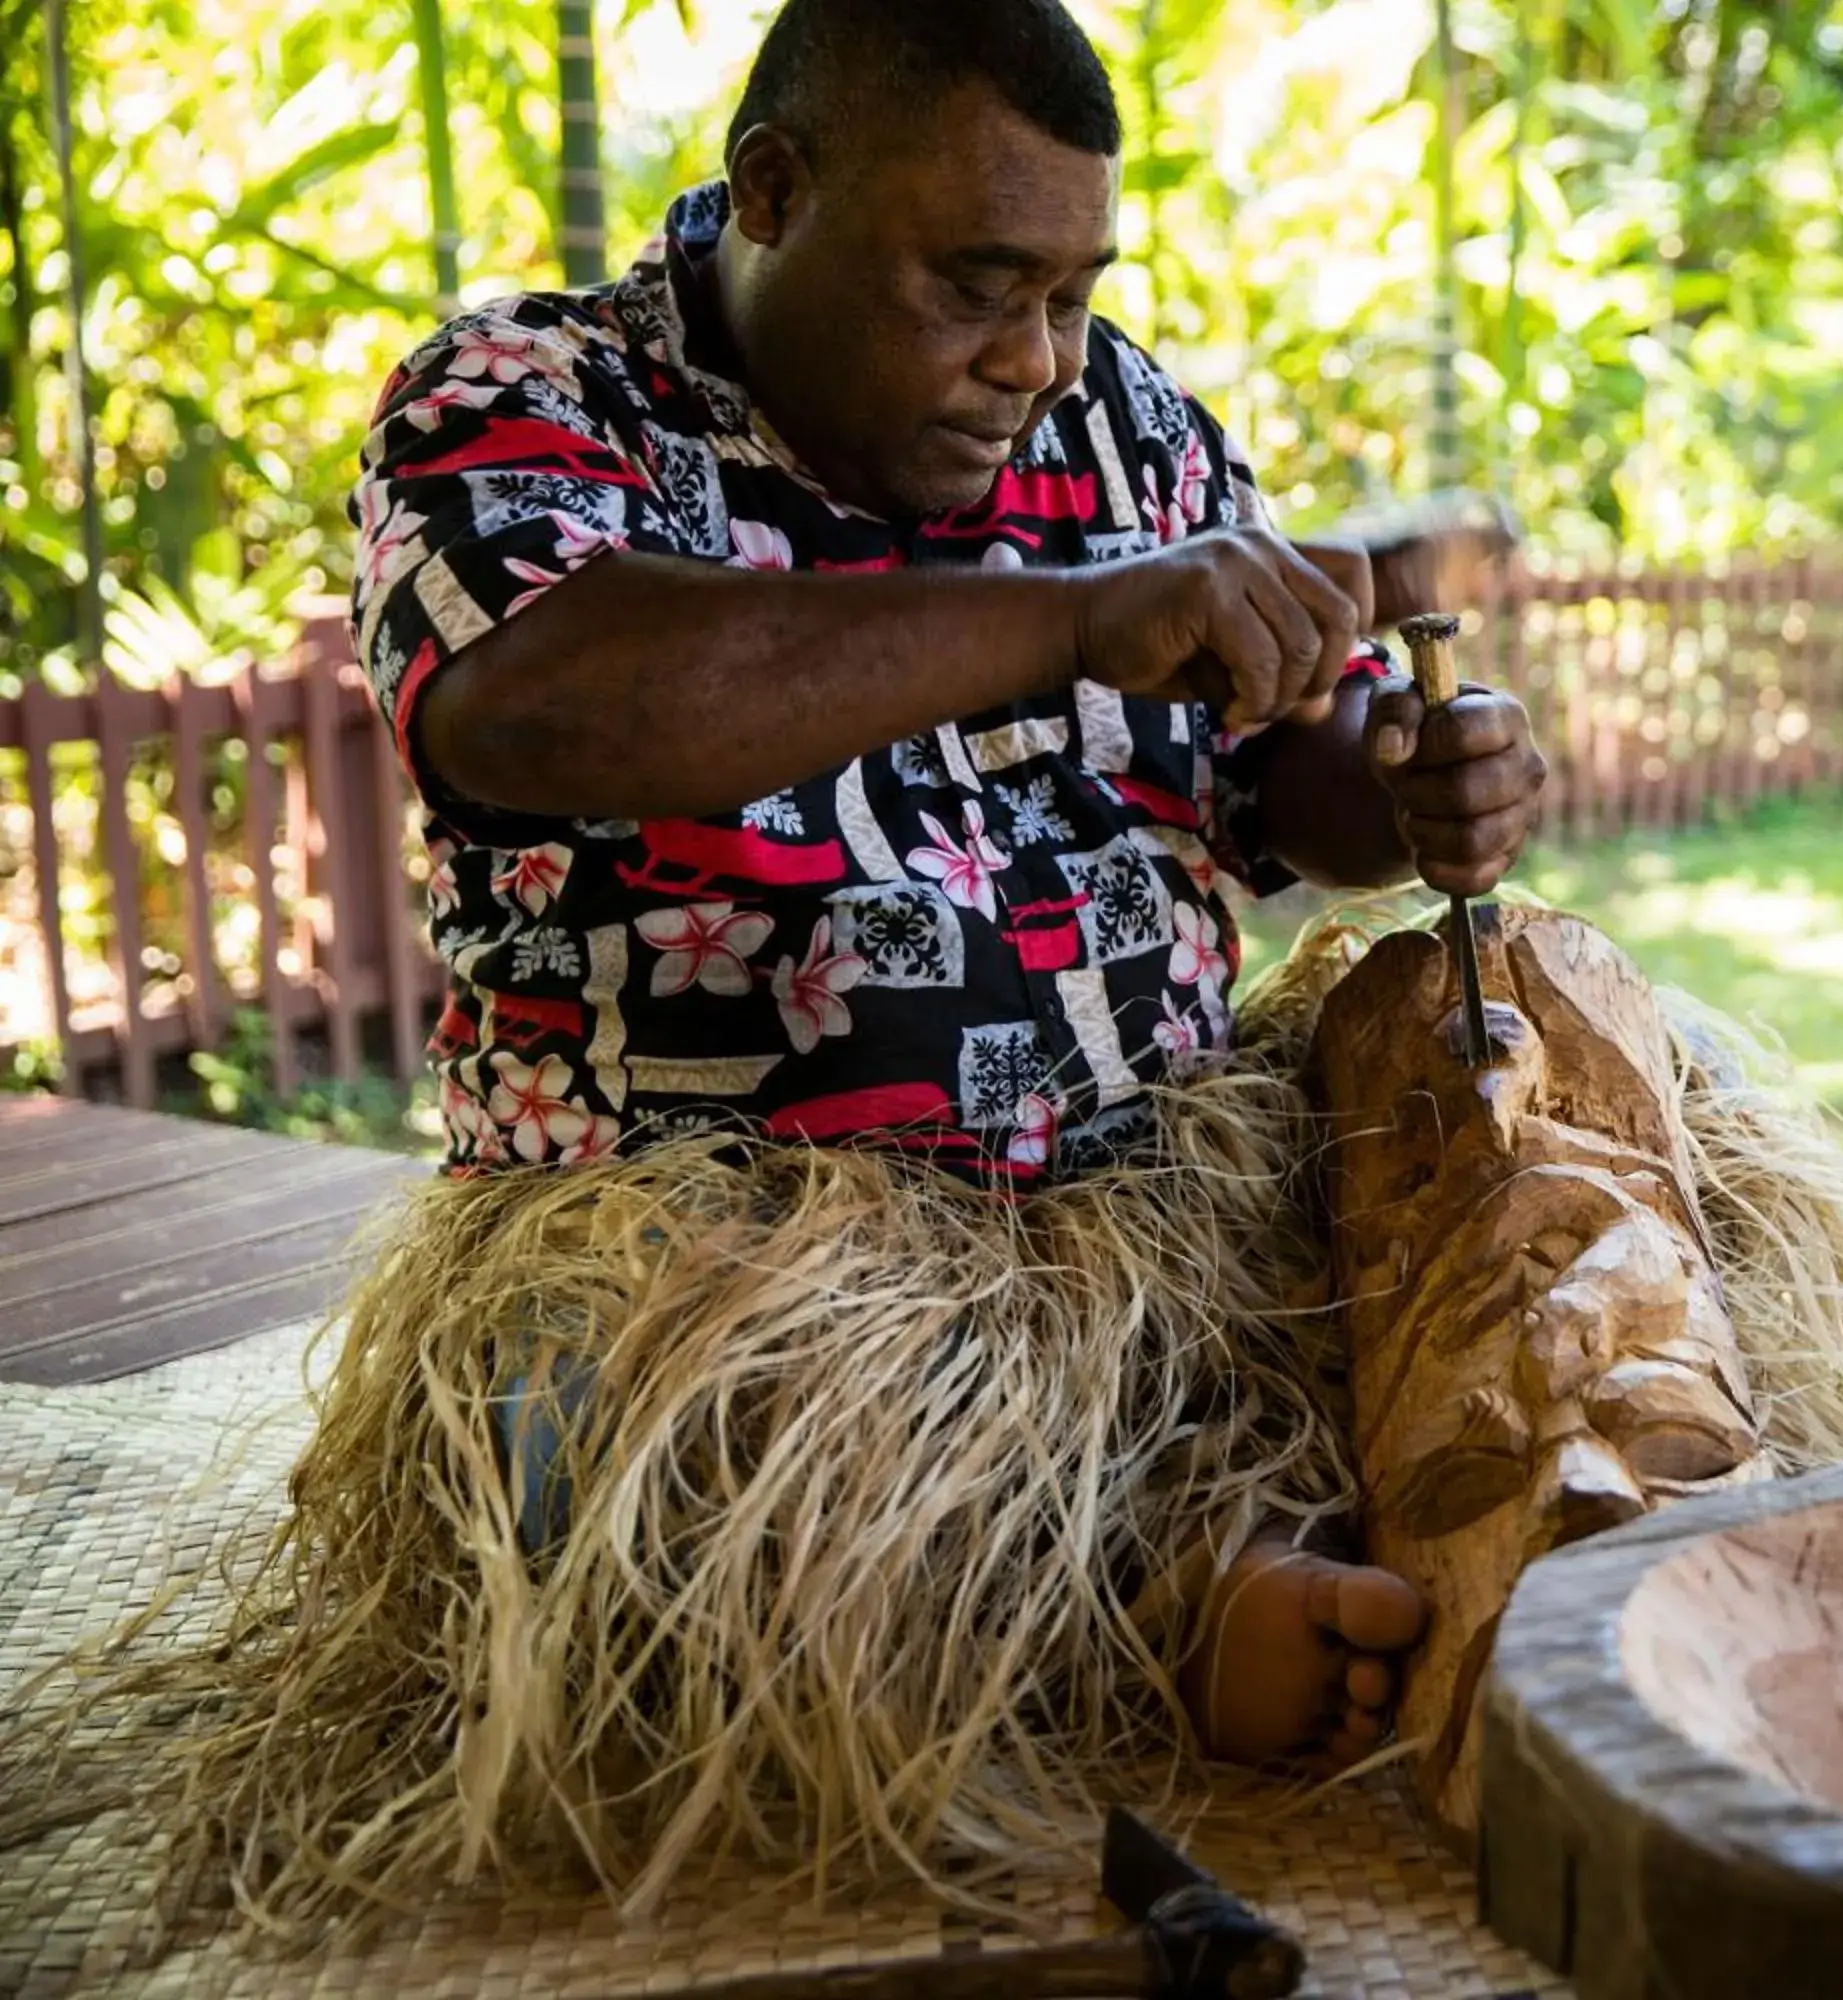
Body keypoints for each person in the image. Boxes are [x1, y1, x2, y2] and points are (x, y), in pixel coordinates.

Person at [353, 0, 1536, 1783]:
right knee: (596, 1450)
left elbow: (1275, 776)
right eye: (980, 286)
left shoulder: (1129, 423)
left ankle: (1229, 1531)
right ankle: (1138, 1603)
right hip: (728, 1263)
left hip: (1155, 1219)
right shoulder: (526, 399)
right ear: (772, 189)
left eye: (1072, 293)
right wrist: (1067, 616)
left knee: (1557, 1166)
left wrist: (1398, 780)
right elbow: (535, 698)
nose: (1042, 361)